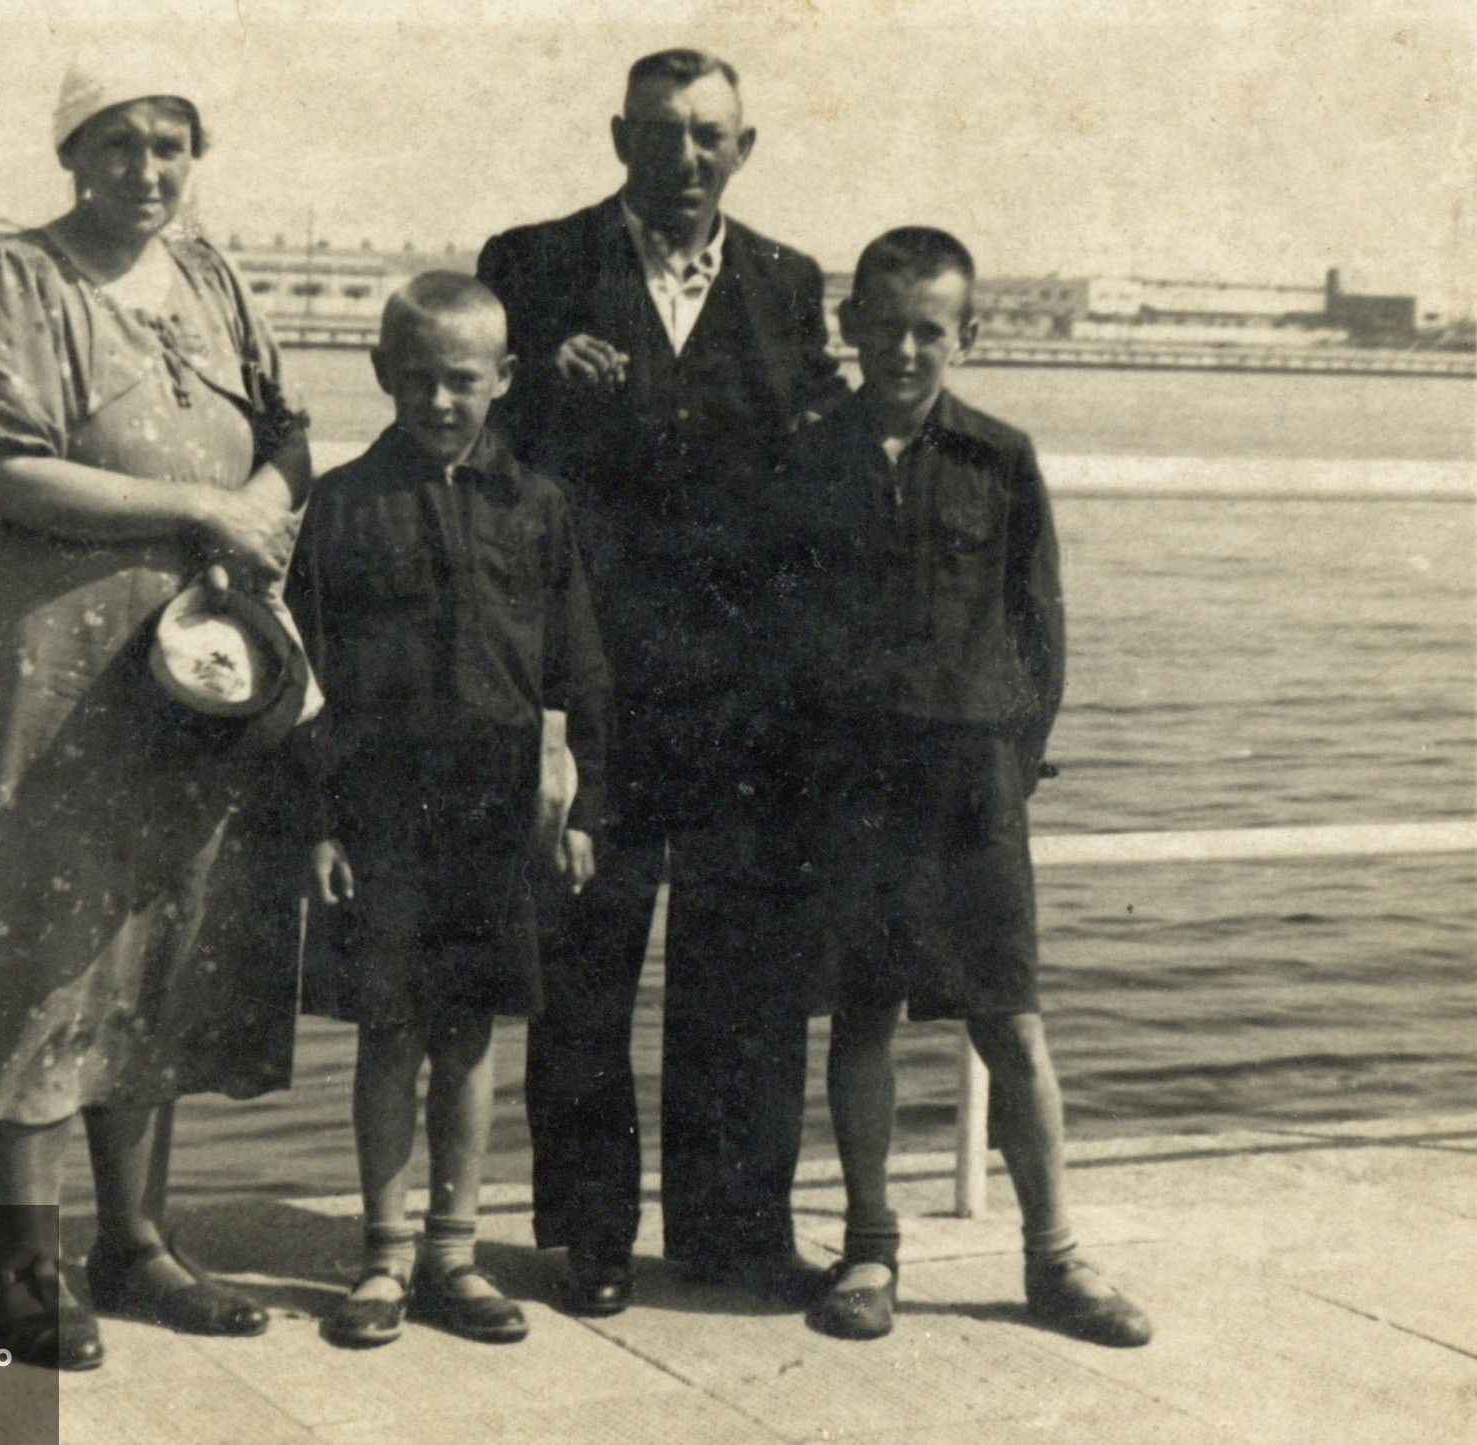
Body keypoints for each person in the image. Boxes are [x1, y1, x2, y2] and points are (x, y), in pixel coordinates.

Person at [0, 49, 315, 1371]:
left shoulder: (215, 276)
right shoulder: (20, 279)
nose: (147, 172)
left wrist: (270, 512)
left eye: (171, 146)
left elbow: (291, 432)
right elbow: (7, 468)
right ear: (73, 156)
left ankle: (138, 1241)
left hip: (197, 664)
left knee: (161, 931)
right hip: (57, 657)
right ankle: (27, 1256)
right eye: (119, 146)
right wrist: (202, 507)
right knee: (34, 927)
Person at [476, 48, 843, 1315]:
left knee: (745, 965)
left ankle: (735, 1230)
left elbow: (817, 466)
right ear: (616, 136)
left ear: (745, 147)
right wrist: (536, 389)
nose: (682, 160)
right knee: (583, 960)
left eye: (707, 136)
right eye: (658, 133)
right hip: (592, 679)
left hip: (749, 694)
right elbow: (476, 442)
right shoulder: (529, 265)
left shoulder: (791, 285)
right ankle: (587, 1232)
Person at [775, 226, 1152, 1348]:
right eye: (882, 325)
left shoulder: (999, 456)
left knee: (1013, 1023)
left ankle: (1055, 1255)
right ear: (847, 327)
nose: (903, 348)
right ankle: (870, 1247)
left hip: (971, 790)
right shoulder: (805, 459)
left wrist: (1004, 760)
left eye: (928, 330)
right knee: (862, 1020)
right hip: (851, 788)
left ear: (966, 335)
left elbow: (1043, 633)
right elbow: (780, 628)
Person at [290, 273, 611, 1347]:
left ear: (504, 380)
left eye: (462, 381)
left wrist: (575, 811)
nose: (438, 400)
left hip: (493, 809)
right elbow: (303, 679)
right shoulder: (339, 504)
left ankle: (452, 1251)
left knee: (470, 1035)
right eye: (417, 378)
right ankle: (382, 1255)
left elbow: (577, 671)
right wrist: (319, 823)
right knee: (388, 1031)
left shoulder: (539, 502)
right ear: (382, 373)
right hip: (379, 810)